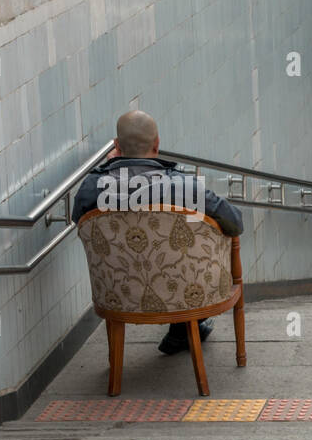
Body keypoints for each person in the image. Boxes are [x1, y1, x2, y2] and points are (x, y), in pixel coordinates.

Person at [72, 111, 245, 354]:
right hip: (186, 292)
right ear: (157, 144)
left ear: (117, 146)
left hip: (120, 294)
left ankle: (176, 335)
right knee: (183, 244)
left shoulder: (93, 188)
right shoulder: (186, 189)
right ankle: (185, 327)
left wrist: (108, 168)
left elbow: (78, 219)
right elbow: (235, 223)